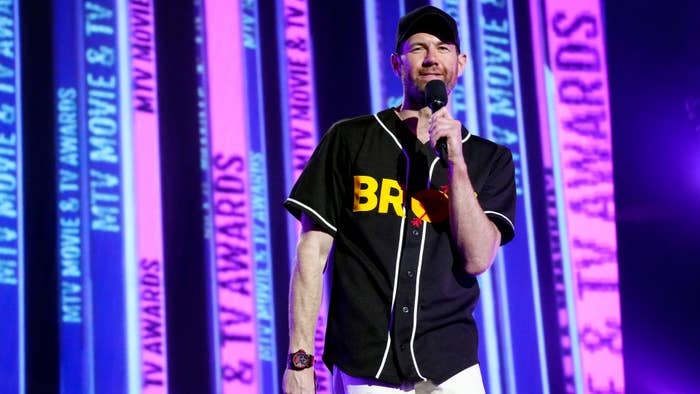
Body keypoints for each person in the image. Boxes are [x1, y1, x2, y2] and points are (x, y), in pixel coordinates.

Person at [283, 5, 516, 394]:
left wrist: (456, 162)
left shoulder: (488, 159)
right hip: (367, 368)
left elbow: (478, 258)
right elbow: (312, 253)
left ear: (460, 63)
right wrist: (300, 361)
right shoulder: (350, 140)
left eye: (442, 48)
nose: (430, 59)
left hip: (451, 367)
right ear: (396, 63)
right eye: (418, 48)